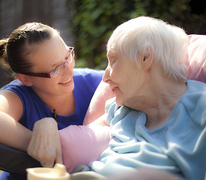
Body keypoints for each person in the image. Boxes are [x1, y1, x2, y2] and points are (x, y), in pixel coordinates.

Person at [59, 16, 206, 180]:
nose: (105, 77)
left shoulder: (201, 108)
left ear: (145, 57)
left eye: (113, 60)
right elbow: (75, 138)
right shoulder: (121, 108)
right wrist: (46, 127)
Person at [0, 22, 105, 180]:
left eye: (67, 56)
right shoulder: (19, 95)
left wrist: (57, 138)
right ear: (26, 79)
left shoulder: (96, 83)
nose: (70, 70)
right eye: (55, 69)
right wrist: (42, 138)